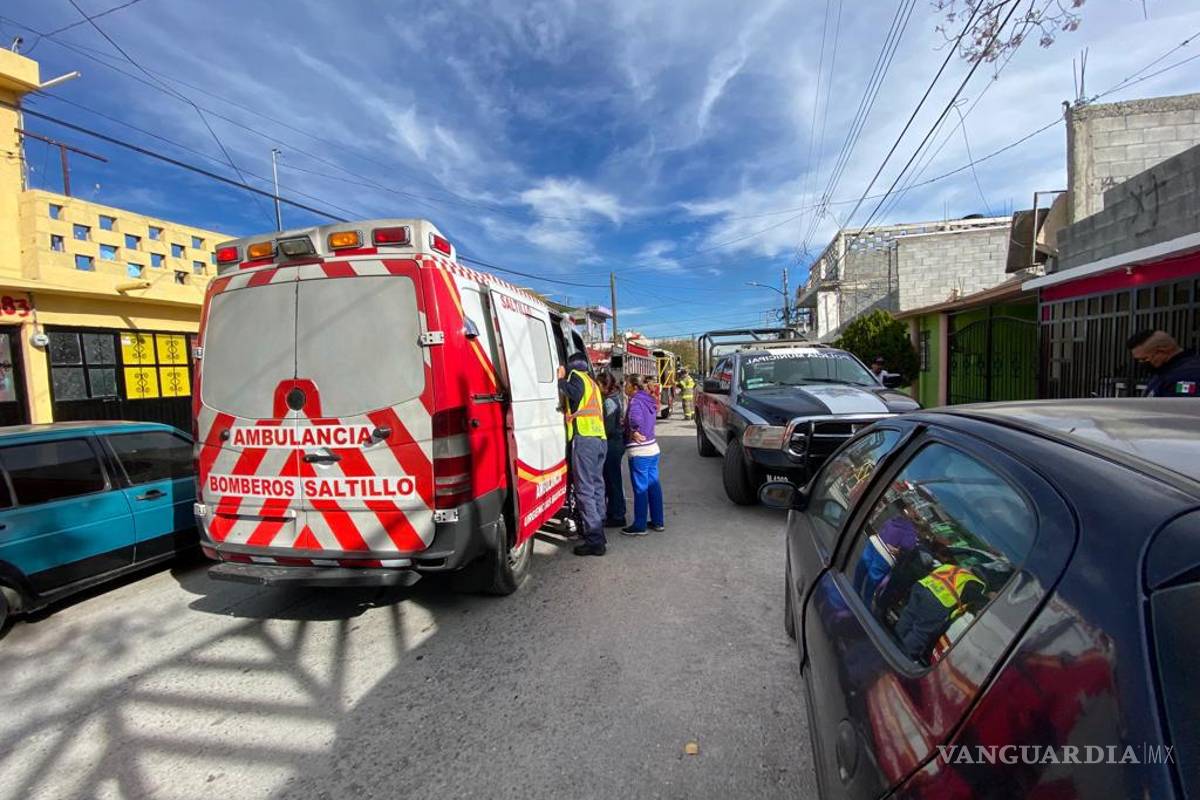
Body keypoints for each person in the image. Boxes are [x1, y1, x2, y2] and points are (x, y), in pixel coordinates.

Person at [557, 353, 608, 557]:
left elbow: (574, 394)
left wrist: (560, 379)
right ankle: (599, 531)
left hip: (585, 438)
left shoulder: (576, 376)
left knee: (584, 490)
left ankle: (594, 540)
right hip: (599, 438)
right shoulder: (592, 381)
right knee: (596, 487)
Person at [894, 562, 986, 664]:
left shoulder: (951, 567)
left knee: (908, 617)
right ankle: (902, 659)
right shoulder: (976, 584)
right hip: (938, 601)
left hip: (922, 586)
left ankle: (893, 643)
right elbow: (980, 604)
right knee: (920, 632)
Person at [622, 374, 665, 536]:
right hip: (653, 448)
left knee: (640, 489)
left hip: (640, 451)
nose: (624, 387)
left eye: (626, 384)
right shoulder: (648, 399)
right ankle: (657, 521)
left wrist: (633, 430)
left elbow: (635, 419)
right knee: (653, 486)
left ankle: (639, 525)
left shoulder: (635, 401)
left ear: (634, 386)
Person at [1127, 329, 1200, 397]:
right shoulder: (1164, 370)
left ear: (1161, 352)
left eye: (1144, 359)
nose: (1141, 363)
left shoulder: (1187, 376)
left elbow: (1183, 407)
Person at [598, 371, 627, 529]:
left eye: (599, 385)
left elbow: (607, 428)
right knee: (611, 480)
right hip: (615, 443)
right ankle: (614, 511)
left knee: (613, 480)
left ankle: (618, 515)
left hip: (612, 444)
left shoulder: (610, 402)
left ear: (604, 386)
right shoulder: (614, 397)